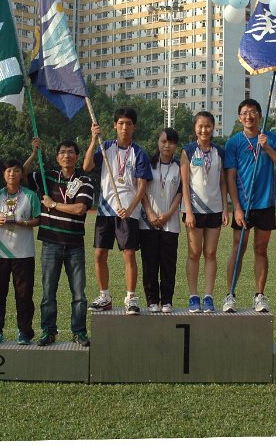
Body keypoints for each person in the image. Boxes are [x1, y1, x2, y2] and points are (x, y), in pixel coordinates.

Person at [24, 139, 94, 347]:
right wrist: (33, 154)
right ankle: (48, 331)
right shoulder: (48, 176)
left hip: (74, 245)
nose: (66, 155)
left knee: (79, 294)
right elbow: (22, 175)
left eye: (71, 152)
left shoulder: (84, 180)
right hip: (50, 243)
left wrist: (53, 204)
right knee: (48, 292)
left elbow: (80, 209)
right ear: (57, 157)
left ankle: (79, 332)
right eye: (62, 152)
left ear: (77, 156)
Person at [222, 98, 276, 313]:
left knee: (261, 249)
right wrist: (236, 207)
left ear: (260, 115)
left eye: (252, 112)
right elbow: (230, 177)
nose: (248, 116)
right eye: (244, 113)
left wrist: (267, 147)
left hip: (265, 203)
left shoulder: (271, 138)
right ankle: (230, 295)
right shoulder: (234, 142)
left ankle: (259, 296)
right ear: (239, 117)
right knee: (238, 248)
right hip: (243, 205)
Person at [84, 107, 153, 315]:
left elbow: (142, 186)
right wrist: (93, 140)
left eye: (128, 124)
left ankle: (131, 298)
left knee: (129, 254)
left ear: (134, 127)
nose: (124, 127)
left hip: (127, 212)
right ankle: (104, 296)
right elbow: (87, 166)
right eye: (121, 123)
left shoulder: (139, 153)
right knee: (99, 254)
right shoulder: (105, 147)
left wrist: (130, 209)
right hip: (105, 210)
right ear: (115, 125)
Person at [0, 159, 40, 345]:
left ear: (21, 174)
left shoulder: (30, 195)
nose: (12, 174)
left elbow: (38, 219)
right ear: (3, 174)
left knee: (24, 295)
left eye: (16, 171)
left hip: (23, 253)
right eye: (8, 171)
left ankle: (24, 332)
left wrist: (23, 222)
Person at [180, 111, 229, 313]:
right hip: (194, 210)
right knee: (194, 253)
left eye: (208, 126)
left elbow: (223, 182)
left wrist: (225, 208)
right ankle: (194, 296)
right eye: (200, 126)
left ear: (213, 127)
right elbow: (184, 183)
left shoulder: (219, 152)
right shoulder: (188, 151)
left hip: (215, 209)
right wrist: (188, 211)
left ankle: (208, 296)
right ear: (195, 128)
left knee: (210, 253)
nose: (204, 130)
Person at [139, 128, 182, 313]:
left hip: (170, 223)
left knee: (168, 263)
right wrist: (149, 213)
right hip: (148, 222)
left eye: (171, 142)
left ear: (175, 145)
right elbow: (141, 190)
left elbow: (180, 193)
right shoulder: (148, 164)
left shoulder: (179, 166)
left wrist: (169, 214)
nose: (167, 145)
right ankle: (152, 300)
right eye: (164, 141)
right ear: (158, 142)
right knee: (150, 263)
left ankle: (167, 300)